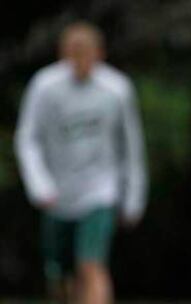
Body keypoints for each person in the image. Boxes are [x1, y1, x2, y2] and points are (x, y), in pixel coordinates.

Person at [15, 21, 148, 304]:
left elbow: (131, 147)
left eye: (85, 54)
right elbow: (27, 138)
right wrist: (39, 184)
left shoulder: (116, 90)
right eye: (74, 54)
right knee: (59, 276)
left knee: (91, 265)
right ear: (63, 54)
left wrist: (133, 196)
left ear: (99, 54)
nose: (80, 62)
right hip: (57, 193)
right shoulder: (44, 87)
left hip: (100, 191)